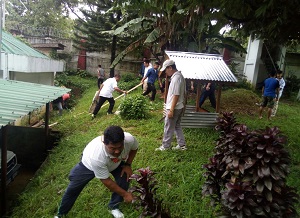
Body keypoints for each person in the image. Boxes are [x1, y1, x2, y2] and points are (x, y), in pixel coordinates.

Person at [54, 126, 138, 218]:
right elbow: (106, 180)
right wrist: (125, 194)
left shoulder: (129, 139)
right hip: (89, 166)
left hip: (115, 163)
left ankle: (113, 207)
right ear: (104, 143)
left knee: (125, 177)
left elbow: (134, 148)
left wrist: (128, 165)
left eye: (120, 146)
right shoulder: (96, 156)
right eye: (113, 148)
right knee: (73, 188)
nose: (117, 151)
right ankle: (60, 214)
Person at [155, 59, 187, 151]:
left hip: (174, 107)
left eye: (166, 70)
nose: (165, 72)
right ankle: (182, 145)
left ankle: (166, 146)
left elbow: (176, 95)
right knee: (177, 126)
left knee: (168, 127)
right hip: (179, 106)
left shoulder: (176, 78)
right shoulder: (180, 76)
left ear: (170, 67)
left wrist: (171, 110)